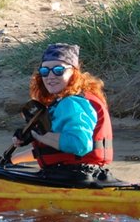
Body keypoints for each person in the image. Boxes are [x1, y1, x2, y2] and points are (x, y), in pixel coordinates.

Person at [13, 43, 114, 183]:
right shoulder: (69, 100)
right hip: (82, 174)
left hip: (72, 177)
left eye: (58, 70)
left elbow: (79, 145)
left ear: (74, 72)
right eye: (44, 71)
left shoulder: (71, 103)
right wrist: (14, 159)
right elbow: (58, 148)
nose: (50, 76)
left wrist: (37, 134)